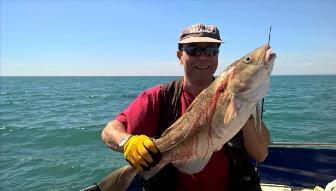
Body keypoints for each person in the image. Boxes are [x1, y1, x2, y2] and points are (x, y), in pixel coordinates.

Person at [101, 23, 270, 191]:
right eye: (193, 50)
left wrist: (244, 108)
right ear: (180, 56)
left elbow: (260, 154)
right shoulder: (158, 97)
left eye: (211, 50)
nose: (203, 57)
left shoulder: (243, 99)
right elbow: (110, 131)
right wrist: (127, 141)